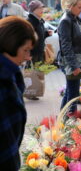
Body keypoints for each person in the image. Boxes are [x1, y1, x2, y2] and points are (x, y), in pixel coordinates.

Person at [0, 16, 37, 170]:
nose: (28, 57)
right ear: (10, 44)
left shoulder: (10, 73)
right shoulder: (3, 78)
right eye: (26, 50)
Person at [58, 0, 81, 113]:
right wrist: (74, 66)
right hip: (71, 62)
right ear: (70, 6)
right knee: (73, 94)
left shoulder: (77, 20)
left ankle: (63, 119)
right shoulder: (66, 21)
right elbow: (66, 46)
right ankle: (69, 119)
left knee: (71, 91)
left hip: (78, 61)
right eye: (79, 7)